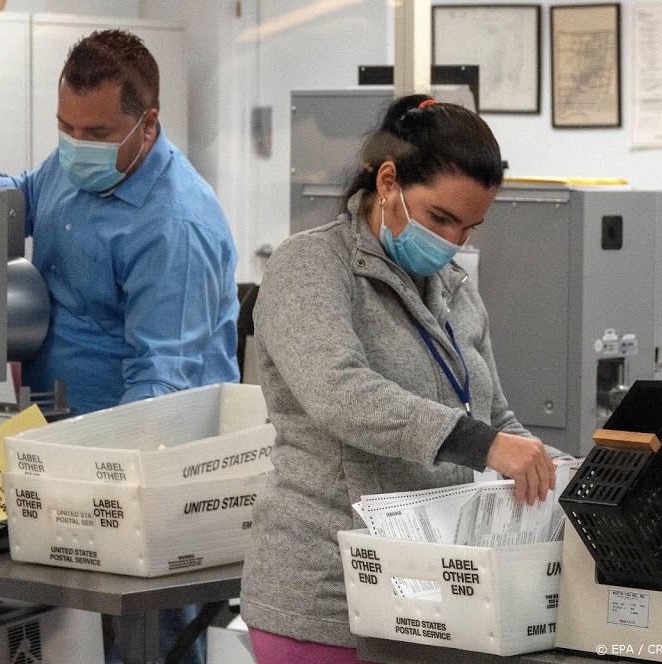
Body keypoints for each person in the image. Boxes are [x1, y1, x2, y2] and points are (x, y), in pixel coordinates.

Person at [0, 29, 237, 664]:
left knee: (146, 646)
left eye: (95, 134)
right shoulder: (74, 169)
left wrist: (110, 492)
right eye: (66, 127)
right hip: (61, 443)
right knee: (72, 641)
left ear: (146, 125)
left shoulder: (174, 225)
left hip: (141, 471)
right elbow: (26, 196)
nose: (77, 147)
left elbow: (164, 388)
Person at [240, 94, 571, 663]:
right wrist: (484, 445)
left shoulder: (455, 292)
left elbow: (493, 415)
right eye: (440, 218)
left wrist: (564, 472)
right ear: (388, 181)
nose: (451, 242)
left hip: (425, 597)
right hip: (324, 599)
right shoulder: (311, 266)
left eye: (468, 228)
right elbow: (341, 394)